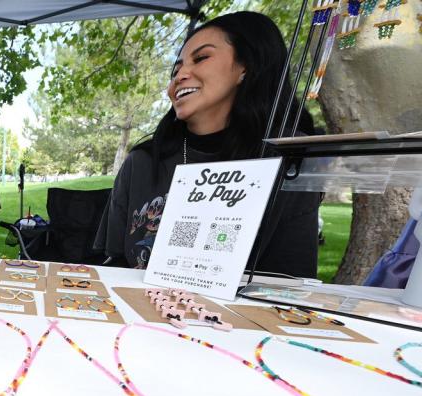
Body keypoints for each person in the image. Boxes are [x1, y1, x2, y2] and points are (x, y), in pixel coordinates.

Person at [103, 11, 322, 278]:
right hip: (140, 313)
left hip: (240, 318)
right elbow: (113, 265)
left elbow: (290, 282)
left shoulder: (286, 156)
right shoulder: (142, 161)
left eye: (201, 58)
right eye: (176, 69)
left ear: (247, 66)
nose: (181, 74)